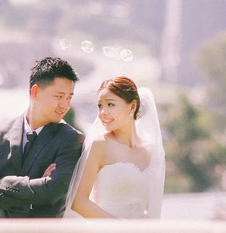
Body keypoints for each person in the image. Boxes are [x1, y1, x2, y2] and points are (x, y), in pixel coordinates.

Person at [0, 56, 84, 218]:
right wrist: (36, 186)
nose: (65, 105)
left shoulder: (71, 139)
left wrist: (4, 182)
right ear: (36, 92)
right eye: (59, 96)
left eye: (69, 97)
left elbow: (53, 191)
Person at [65, 76, 165, 219]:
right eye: (100, 106)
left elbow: (152, 207)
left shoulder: (152, 151)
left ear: (132, 106)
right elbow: (79, 202)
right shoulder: (99, 145)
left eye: (110, 105)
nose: (103, 112)